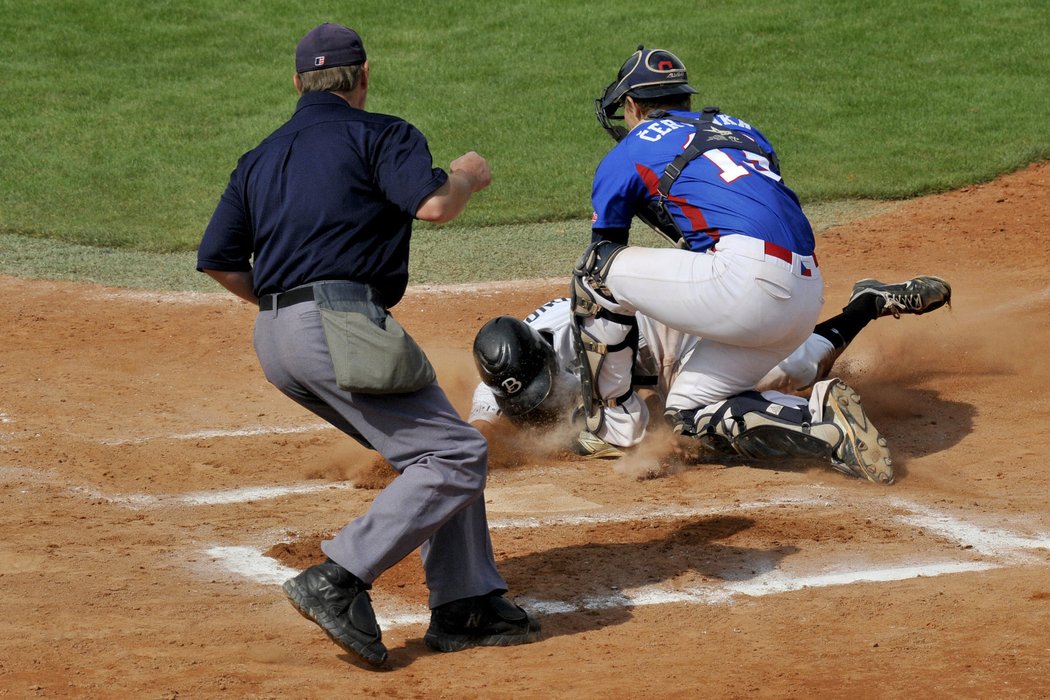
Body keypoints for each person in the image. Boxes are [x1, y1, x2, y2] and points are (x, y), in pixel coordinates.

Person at [196, 23, 539, 666]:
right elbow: (434, 205)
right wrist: (466, 175)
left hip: (276, 335)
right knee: (457, 455)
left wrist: (288, 309)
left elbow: (217, 259)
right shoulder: (381, 132)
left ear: (298, 82)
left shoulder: (260, 156)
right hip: (341, 326)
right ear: (363, 77)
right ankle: (338, 577)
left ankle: (466, 603)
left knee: (437, 441)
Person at [568, 46, 909, 484]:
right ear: (685, 100)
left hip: (746, 286)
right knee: (687, 414)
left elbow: (608, 254)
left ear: (632, 105)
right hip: (804, 291)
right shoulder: (744, 130)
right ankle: (820, 424)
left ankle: (615, 430)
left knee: (596, 272)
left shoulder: (631, 149)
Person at [469, 275, 952, 471]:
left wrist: (655, 435)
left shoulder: (586, 338)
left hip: (682, 337)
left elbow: (639, 404)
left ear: (551, 359)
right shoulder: (499, 378)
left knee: (796, 367)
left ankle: (865, 304)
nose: (540, 402)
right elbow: (480, 431)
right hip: (654, 367)